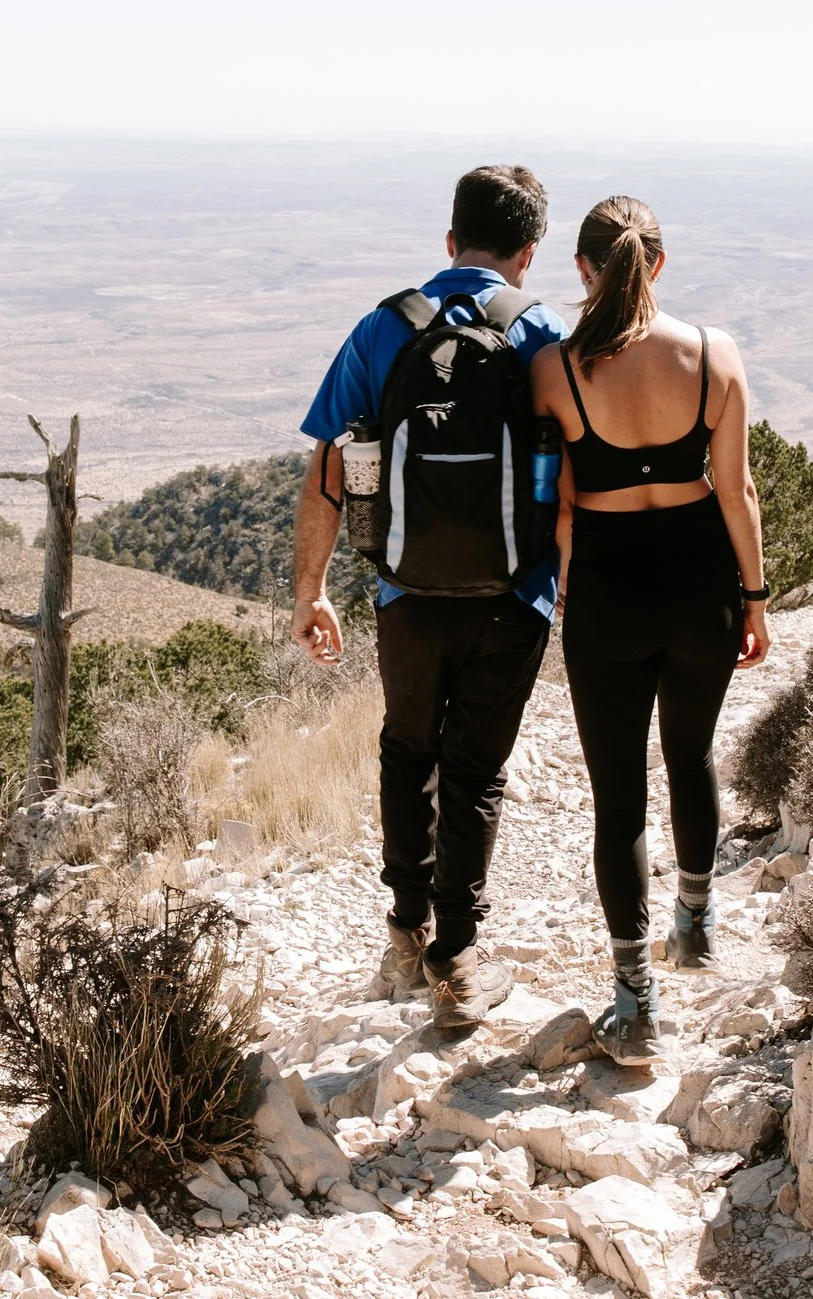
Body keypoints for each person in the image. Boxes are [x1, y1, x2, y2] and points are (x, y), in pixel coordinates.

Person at [292, 165, 568, 1027]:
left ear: (450, 242)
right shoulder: (543, 333)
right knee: (475, 768)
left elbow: (327, 470)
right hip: (515, 592)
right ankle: (458, 958)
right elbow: (577, 473)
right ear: (529, 251)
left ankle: (406, 932)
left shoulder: (385, 327)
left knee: (408, 749)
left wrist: (311, 591)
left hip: (404, 587)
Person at [532, 194, 771, 1066]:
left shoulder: (554, 369)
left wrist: (567, 591)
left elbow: (559, 506)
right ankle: (696, 924)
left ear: (582, 269)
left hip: (608, 584)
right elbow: (737, 492)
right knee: (692, 751)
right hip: (701, 577)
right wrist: (755, 597)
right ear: (658, 264)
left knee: (618, 795)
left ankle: (635, 1006)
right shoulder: (714, 353)